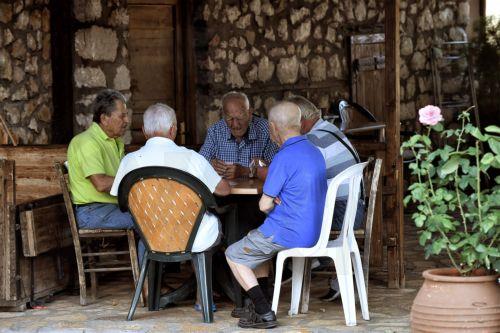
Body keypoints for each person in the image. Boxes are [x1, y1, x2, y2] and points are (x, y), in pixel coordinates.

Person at [110, 103, 231, 310]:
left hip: (152, 236)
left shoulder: (130, 161)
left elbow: (118, 197)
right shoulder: (193, 158)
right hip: (192, 236)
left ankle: (154, 297)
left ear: (145, 131)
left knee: (189, 227)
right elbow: (224, 190)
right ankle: (203, 298)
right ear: (173, 129)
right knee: (207, 226)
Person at [225, 101, 327, 329]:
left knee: (233, 254)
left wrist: (274, 202)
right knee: (257, 239)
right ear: (299, 124)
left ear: (272, 127)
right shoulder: (314, 151)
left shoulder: (283, 157)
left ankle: (264, 311)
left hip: (288, 232)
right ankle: (262, 299)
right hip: (313, 230)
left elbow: (263, 205)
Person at [287, 95, 365, 302]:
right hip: (353, 209)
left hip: (343, 213)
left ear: (301, 121)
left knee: (282, 215)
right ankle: (306, 260)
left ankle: (305, 259)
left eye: (289, 122)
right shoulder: (328, 130)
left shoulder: (313, 139)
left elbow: (299, 179)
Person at [67, 89, 145, 260]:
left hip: (111, 208)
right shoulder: (87, 142)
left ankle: (151, 279)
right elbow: (101, 183)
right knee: (146, 219)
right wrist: (135, 179)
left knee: (151, 213)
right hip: (92, 212)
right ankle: (146, 283)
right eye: (122, 116)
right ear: (104, 118)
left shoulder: (115, 142)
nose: (127, 121)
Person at [199, 91, 278, 179]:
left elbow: (276, 170)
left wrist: (246, 171)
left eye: (240, 117)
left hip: (258, 192)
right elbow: (199, 162)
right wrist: (210, 165)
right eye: (229, 118)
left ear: (250, 113)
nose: (236, 124)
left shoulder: (266, 130)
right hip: (224, 191)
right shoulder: (215, 131)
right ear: (223, 115)